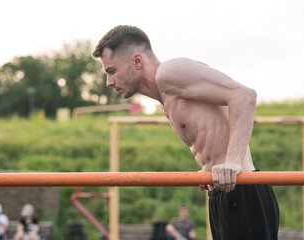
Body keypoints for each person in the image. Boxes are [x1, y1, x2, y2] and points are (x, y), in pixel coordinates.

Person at [93, 25, 279, 239]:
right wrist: (208, 168)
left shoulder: (169, 72)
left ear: (137, 61)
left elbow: (244, 96)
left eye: (111, 71)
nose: (109, 82)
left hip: (243, 188)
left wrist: (233, 162)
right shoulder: (165, 99)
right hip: (221, 192)